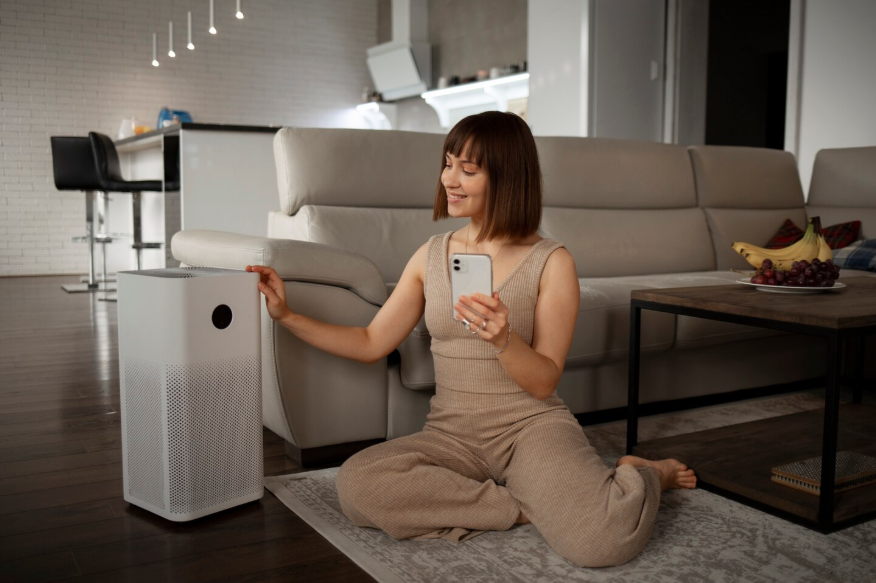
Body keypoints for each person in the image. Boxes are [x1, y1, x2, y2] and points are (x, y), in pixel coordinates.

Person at [247, 111, 696, 568]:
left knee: (603, 542)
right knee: (358, 484)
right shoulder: (430, 256)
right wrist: (287, 315)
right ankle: (526, 506)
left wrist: (504, 339)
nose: (449, 180)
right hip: (452, 435)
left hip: (530, 429)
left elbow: (544, 381)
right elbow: (370, 342)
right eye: (448, 164)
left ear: (507, 177)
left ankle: (642, 474)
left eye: (468, 169)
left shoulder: (552, 262)